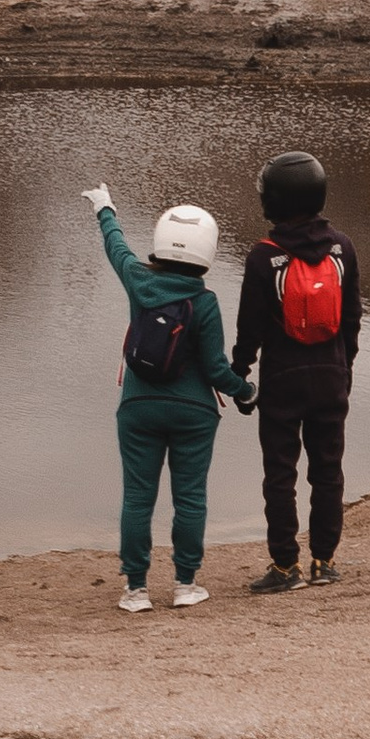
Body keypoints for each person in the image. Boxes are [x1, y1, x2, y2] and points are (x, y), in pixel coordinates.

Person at [80, 186, 255, 611]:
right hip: (194, 413)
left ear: (161, 241)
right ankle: (185, 585)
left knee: (137, 498)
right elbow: (216, 369)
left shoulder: (138, 280)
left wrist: (105, 208)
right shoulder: (205, 302)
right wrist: (246, 390)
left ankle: (136, 590)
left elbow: (117, 247)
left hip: (138, 408)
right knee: (190, 497)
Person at [233, 148, 362, 590]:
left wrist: (239, 374)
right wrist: (344, 370)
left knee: (280, 475)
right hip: (330, 378)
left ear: (274, 200)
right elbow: (351, 320)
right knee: (328, 472)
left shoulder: (262, 257)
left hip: (282, 382)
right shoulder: (343, 249)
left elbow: (249, 327)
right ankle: (324, 562)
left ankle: (286, 567)